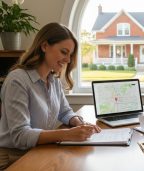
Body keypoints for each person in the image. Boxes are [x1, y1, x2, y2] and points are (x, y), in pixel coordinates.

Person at [0, 23, 101, 169]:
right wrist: (68, 134)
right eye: (64, 52)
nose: (67, 60)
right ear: (44, 46)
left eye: (70, 55)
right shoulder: (17, 80)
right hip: (12, 157)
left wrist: (78, 122)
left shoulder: (53, 80)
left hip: (39, 150)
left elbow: (65, 111)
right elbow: (20, 136)